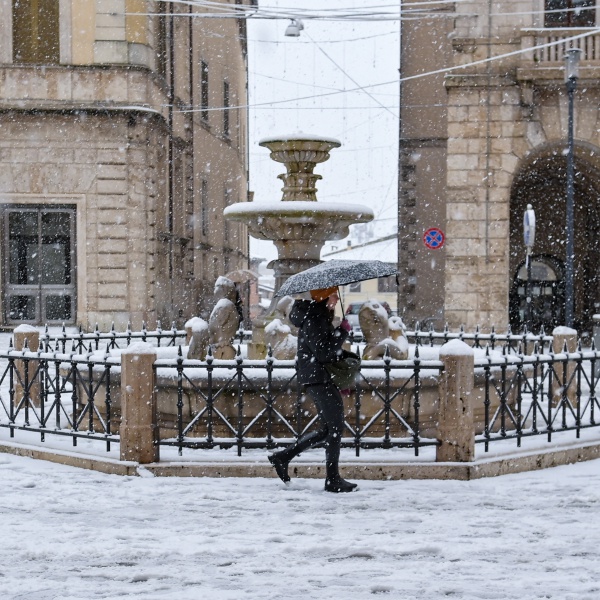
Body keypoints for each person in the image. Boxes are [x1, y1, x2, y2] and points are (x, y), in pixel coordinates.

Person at [268, 286, 357, 493]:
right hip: (319, 378)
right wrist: (342, 331)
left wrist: (337, 333)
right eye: (334, 295)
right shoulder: (315, 318)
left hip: (318, 377)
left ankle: (283, 457)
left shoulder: (317, 316)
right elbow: (325, 353)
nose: (336, 298)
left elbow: (323, 348)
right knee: (334, 428)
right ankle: (332, 479)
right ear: (324, 296)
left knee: (328, 429)